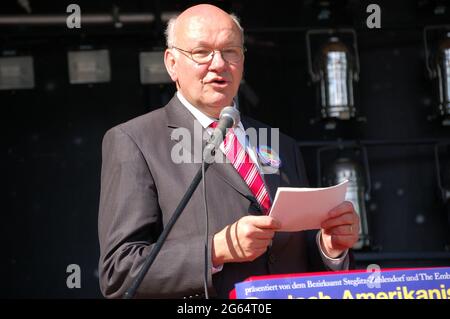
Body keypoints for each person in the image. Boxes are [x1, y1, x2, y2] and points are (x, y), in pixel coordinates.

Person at [98, 4, 360, 299]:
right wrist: (215, 250)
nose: (218, 63)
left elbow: (295, 253)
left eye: (230, 51)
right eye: (201, 52)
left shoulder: (281, 144)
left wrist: (329, 248)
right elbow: (118, 273)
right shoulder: (134, 141)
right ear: (172, 63)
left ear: (243, 60)